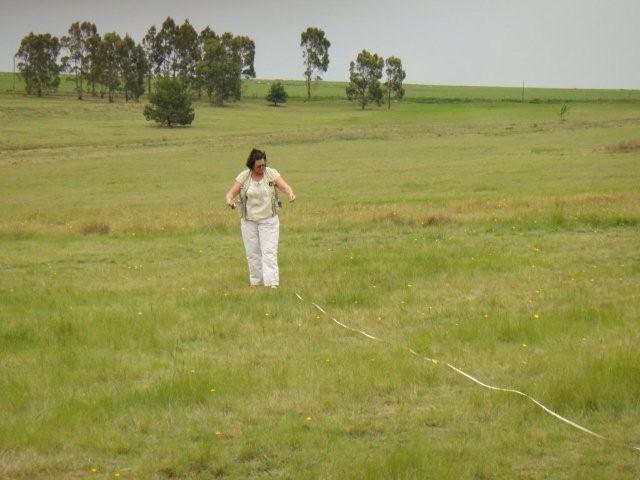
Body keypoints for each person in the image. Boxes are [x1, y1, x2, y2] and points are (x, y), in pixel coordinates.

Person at [225, 148, 295, 288]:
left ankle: (271, 285)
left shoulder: (271, 174)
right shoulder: (244, 177)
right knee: (252, 253)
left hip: (269, 220)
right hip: (249, 221)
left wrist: (290, 194)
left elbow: (284, 186)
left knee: (269, 252)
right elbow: (230, 194)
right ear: (252, 165)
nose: (262, 168)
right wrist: (230, 201)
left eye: (264, 165)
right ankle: (256, 283)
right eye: (259, 166)